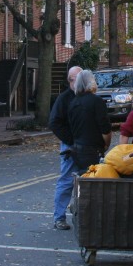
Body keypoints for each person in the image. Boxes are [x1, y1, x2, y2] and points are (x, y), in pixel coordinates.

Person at [48, 66, 82, 231]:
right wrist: (70, 140)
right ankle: (59, 217)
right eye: (79, 77)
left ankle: (82, 214)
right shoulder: (64, 99)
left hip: (86, 145)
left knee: (87, 181)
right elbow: (54, 122)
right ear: (71, 80)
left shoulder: (86, 97)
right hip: (70, 145)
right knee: (67, 180)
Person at [67, 70, 112, 173]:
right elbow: (105, 129)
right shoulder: (97, 101)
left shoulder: (72, 103)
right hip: (93, 149)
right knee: (94, 181)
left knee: (82, 179)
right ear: (92, 82)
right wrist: (106, 145)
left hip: (77, 149)